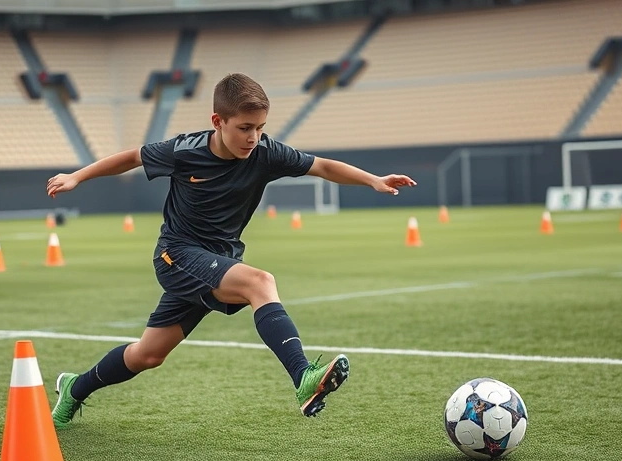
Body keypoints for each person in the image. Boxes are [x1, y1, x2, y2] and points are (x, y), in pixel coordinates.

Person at [46, 72, 416, 428]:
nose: (253, 137)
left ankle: (73, 388)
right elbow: (131, 157)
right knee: (260, 281)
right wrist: (77, 176)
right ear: (217, 121)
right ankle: (303, 375)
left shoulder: (267, 153)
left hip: (217, 262)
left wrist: (373, 180)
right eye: (244, 128)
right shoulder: (183, 150)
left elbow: (322, 166)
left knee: (149, 354)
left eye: (260, 128)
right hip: (177, 255)